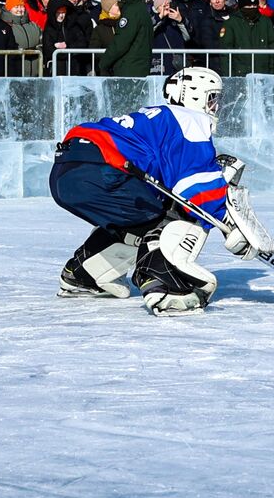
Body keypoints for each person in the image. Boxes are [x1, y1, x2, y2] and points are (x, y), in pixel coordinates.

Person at [50, 67, 262, 316]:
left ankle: (85, 273)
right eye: (212, 97)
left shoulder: (160, 118)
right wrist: (231, 224)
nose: (215, 105)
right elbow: (197, 187)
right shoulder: (189, 118)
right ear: (193, 94)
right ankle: (164, 282)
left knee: (141, 215)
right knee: (175, 213)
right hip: (104, 170)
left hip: (65, 171)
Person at [96, 0, 153, 77]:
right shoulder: (142, 10)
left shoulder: (131, 13)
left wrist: (103, 63)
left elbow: (121, 42)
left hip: (129, 69)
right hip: (139, 68)